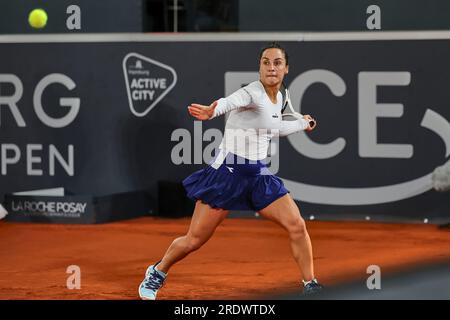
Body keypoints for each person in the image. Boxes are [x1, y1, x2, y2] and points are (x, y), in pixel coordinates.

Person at [138, 42, 323, 300]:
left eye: (277, 63)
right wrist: (214, 110)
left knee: (297, 225)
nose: (271, 67)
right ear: (259, 67)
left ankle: (310, 283)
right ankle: (157, 271)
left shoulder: (280, 97)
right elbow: (229, 102)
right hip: (227, 175)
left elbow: (275, 129)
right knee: (194, 240)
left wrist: (303, 123)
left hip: (259, 176)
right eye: (266, 62)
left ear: (286, 68)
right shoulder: (252, 92)